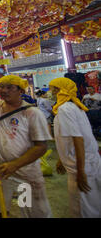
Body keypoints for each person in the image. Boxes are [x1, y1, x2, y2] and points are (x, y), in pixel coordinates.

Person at [0, 75, 52, 218]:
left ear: (20, 91)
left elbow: (41, 147)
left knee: (28, 208)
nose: (4, 90)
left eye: (9, 87)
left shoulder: (31, 113)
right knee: (1, 206)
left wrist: (15, 165)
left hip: (24, 172)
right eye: (2, 87)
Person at [49, 78, 101, 218]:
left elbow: (78, 139)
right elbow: (69, 139)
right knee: (93, 202)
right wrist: (62, 158)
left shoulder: (65, 109)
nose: (51, 92)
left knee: (83, 209)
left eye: (53, 89)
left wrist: (81, 171)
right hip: (87, 161)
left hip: (81, 165)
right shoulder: (74, 106)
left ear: (61, 91)